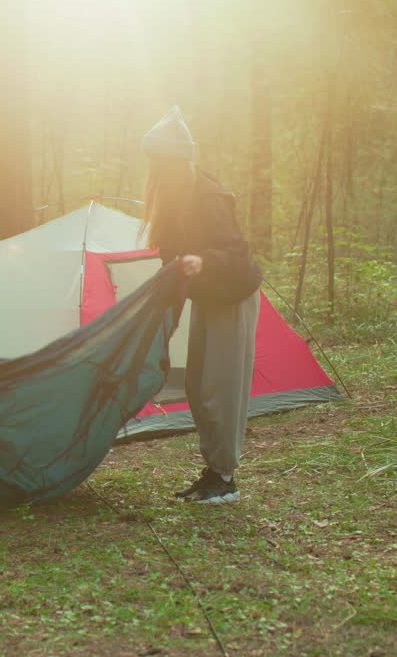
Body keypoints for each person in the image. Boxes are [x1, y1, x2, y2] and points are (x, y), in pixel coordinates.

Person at [140, 106, 262, 505]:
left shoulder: (208, 194)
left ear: (176, 161)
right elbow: (173, 251)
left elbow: (236, 252)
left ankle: (225, 479)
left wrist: (203, 259)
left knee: (220, 387)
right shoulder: (174, 196)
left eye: (162, 161)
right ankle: (213, 472)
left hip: (232, 293)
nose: (156, 169)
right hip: (210, 294)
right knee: (198, 384)